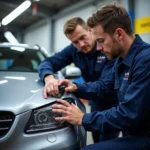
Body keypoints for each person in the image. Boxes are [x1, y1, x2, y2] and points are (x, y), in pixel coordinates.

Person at [51, 2, 150, 150]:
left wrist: (83, 118)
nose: (98, 48)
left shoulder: (145, 60)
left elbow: (129, 114)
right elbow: (104, 86)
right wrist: (75, 87)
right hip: (132, 133)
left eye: (101, 41)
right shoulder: (121, 60)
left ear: (119, 34)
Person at [38, 17, 119, 142]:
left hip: (112, 104)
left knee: (105, 142)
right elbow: (48, 62)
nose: (81, 44)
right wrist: (48, 78)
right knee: (96, 138)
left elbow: (104, 86)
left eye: (82, 37)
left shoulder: (105, 48)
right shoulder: (73, 50)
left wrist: (76, 86)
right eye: (75, 42)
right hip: (95, 102)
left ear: (90, 30)